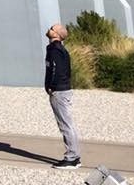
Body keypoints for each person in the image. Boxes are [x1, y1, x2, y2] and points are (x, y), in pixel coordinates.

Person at [45, 22, 81, 169]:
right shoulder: (62, 50)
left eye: (52, 28)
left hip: (59, 91)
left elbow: (55, 70)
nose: (49, 29)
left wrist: (51, 87)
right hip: (63, 89)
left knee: (65, 125)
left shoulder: (54, 49)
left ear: (57, 34)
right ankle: (74, 156)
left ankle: (72, 158)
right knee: (67, 124)